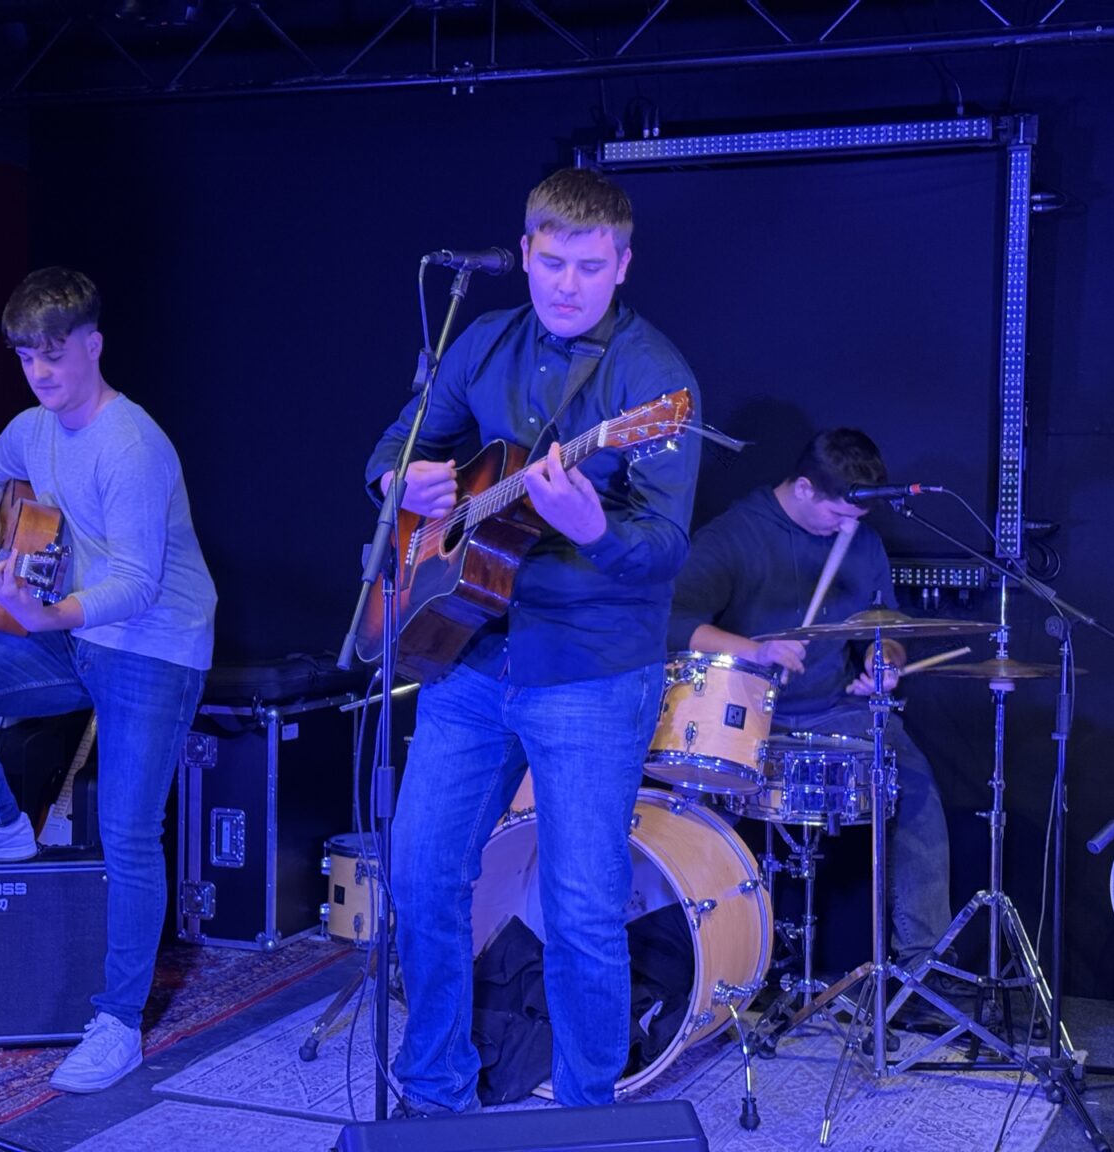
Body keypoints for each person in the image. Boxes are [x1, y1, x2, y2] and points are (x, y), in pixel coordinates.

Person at [364, 167, 701, 1113]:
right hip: (469, 653)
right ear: (524, 254)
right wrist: (401, 483)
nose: (567, 285)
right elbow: (397, 445)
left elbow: (666, 546)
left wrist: (593, 527)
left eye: (591, 268)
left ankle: (589, 1115)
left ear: (623, 265)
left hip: (590, 670)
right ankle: (436, 1092)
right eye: (552, 263)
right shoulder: (481, 340)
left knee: (583, 906)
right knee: (422, 874)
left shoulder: (656, 379)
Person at [0, 267, 216, 1093]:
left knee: (128, 832)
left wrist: (46, 614)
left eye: (52, 353)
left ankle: (118, 1024)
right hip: (75, 636)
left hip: (153, 648)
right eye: (25, 356)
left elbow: (138, 585)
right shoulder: (32, 429)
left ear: (92, 346)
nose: (39, 371)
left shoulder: (132, 446)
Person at [667, 428, 954, 975]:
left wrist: (884, 661)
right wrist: (755, 650)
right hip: (746, 714)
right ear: (803, 487)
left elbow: (885, 629)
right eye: (838, 515)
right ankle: (705, 967)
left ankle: (924, 966)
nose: (848, 529)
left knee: (913, 781)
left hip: (835, 709)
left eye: (856, 519)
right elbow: (671, 622)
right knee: (694, 812)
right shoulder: (735, 534)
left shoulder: (861, 541)